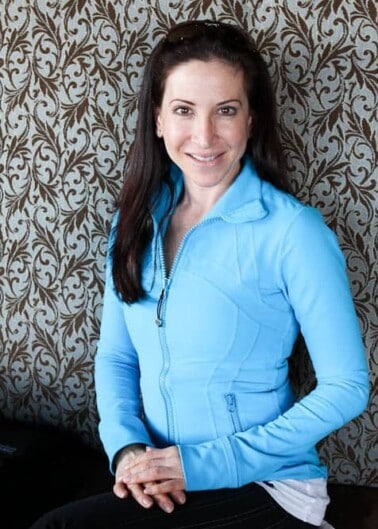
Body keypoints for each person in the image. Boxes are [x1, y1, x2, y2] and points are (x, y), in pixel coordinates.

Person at [29, 19, 369, 529]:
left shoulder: (292, 231)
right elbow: (118, 356)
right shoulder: (135, 221)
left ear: (251, 119)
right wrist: (127, 453)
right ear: (159, 120)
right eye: (184, 111)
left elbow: (347, 386)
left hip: (267, 485)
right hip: (160, 477)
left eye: (225, 111)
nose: (204, 136)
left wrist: (199, 465)